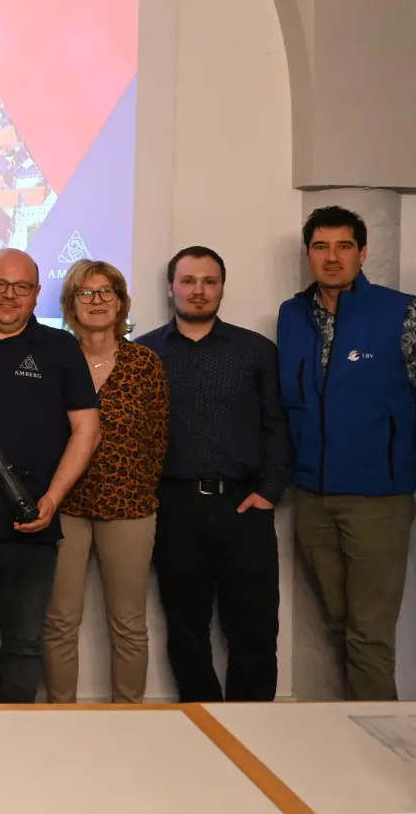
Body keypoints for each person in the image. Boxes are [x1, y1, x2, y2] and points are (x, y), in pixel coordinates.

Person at [277, 205, 416, 701]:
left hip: (377, 498)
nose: (332, 257)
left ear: (363, 252)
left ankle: (379, 740)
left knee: (369, 632)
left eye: (344, 246)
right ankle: (347, 732)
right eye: (321, 247)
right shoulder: (291, 315)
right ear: (308, 254)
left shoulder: (404, 312)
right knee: (337, 623)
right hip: (311, 497)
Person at [0, 249, 101, 704]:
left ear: (35, 294)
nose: (9, 296)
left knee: (26, 640)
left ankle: (16, 739)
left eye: (21, 287)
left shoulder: (60, 348)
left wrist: (53, 499)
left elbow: (87, 430)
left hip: (35, 517)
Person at [139, 247, 291, 702]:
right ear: (171, 288)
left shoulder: (256, 351)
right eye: (188, 281)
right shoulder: (145, 353)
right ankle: (200, 724)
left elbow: (277, 425)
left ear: (222, 287)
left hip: (243, 507)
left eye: (209, 281)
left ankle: (254, 727)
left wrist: (269, 492)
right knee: (186, 628)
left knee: (255, 627)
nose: (198, 291)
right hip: (174, 506)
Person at [42, 259, 168, 704]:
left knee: (129, 624)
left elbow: (157, 439)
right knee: (59, 620)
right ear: (71, 303)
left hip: (130, 508)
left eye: (105, 293)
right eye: (85, 293)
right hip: (63, 507)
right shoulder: (54, 359)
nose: (96, 302)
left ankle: (128, 716)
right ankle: (61, 716)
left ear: (120, 301)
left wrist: (135, 487)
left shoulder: (146, 364)